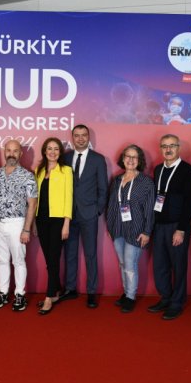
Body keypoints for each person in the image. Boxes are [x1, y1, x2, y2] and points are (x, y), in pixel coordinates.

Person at [149, 134, 191, 320]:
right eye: (164, 146)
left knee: (178, 266)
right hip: (159, 225)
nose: (168, 149)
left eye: (172, 146)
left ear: (178, 148)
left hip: (177, 226)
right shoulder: (158, 169)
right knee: (160, 265)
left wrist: (181, 229)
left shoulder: (187, 171)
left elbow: (190, 202)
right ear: (160, 149)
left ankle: (177, 303)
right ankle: (165, 298)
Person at [61, 125, 108, 308]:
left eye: (84, 135)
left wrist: (97, 210)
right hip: (68, 215)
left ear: (88, 137)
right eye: (77, 135)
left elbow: (103, 188)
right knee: (70, 253)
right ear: (72, 137)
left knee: (91, 254)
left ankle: (91, 291)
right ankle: (70, 288)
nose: (80, 138)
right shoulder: (65, 158)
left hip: (89, 214)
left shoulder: (98, 159)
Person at [0, 140, 38, 312]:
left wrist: (26, 229)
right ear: (4, 152)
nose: (11, 154)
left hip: (18, 223)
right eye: (8, 150)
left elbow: (32, 204)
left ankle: (20, 294)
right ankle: (3, 292)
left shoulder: (27, 176)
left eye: (15, 151)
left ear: (20, 154)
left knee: (18, 260)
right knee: (2, 260)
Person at [107, 145, 155, 313]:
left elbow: (150, 209)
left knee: (130, 264)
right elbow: (111, 204)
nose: (131, 160)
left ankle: (130, 296)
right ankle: (126, 292)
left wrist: (147, 232)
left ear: (139, 160)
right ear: (123, 158)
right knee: (122, 263)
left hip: (136, 229)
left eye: (135, 157)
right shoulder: (117, 180)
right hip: (117, 228)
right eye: (128, 156)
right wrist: (110, 226)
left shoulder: (146, 182)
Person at [33, 138, 73, 315]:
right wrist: (33, 223)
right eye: (49, 148)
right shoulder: (39, 171)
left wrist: (66, 223)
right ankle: (55, 291)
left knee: (54, 259)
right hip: (41, 220)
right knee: (49, 259)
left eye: (56, 149)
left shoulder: (66, 170)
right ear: (44, 151)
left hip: (58, 220)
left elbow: (68, 197)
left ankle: (49, 297)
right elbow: (35, 198)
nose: (52, 152)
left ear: (60, 152)